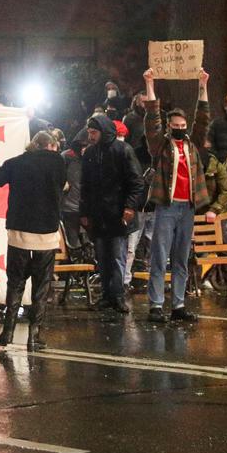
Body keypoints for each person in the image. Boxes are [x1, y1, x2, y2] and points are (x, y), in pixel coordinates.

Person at [0, 130, 65, 348]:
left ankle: (7, 332)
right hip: (46, 235)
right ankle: (34, 335)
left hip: (19, 233)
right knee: (41, 286)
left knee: (16, 282)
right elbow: (67, 187)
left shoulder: (16, 163)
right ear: (51, 146)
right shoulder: (59, 162)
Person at [141, 68, 215, 324]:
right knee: (160, 257)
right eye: (175, 127)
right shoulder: (161, 145)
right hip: (167, 206)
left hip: (188, 208)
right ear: (169, 127)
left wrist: (203, 85)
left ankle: (179, 305)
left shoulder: (192, 144)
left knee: (182, 259)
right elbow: (152, 118)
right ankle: (156, 305)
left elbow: (203, 119)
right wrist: (149, 83)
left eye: (182, 127)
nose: (180, 130)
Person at [78, 114, 146, 322]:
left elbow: (136, 182)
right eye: (89, 133)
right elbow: (85, 185)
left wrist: (130, 206)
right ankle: (107, 295)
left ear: (103, 132)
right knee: (102, 257)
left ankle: (117, 295)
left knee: (117, 256)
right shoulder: (90, 153)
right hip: (99, 215)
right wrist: (84, 212)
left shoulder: (123, 150)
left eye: (93, 133)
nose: (90, 136)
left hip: (118, 214)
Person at [59, 131, 87, 246]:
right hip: (70, 206)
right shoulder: (67, 156)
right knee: (73, 240)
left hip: (87, 208)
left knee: (90, 241)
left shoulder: (96, 158)